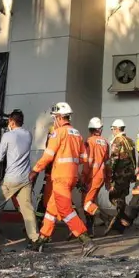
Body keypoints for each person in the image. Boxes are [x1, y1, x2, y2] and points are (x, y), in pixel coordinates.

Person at [31, 102, 93, 255]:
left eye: (54, 118)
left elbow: (48, 156)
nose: (54, 121)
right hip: (71, 176)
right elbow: (84, 158)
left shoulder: (57, 133)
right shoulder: (77, 133)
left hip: (60, 177)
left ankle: (86, 240)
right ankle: (42, 239)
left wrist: (34, 170)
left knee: (65, 210)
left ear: (59, 117)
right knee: (51, 210)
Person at [0, 109, 39, 246]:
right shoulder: (28, 134)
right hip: (26, 178)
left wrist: (6, 135)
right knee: (27, 209)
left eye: (9, 121)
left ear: (11, 121)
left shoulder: (8, 136)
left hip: (11, 178)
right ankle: (34, 238)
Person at [104, 120, 135, 234]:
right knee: (122, 196)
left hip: (119, 174)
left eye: (112, 129)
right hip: (127, 174)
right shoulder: (130, 141)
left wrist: (110, 175)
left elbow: (114, 159)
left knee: (114, 196)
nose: (112, 131)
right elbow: (133, 159)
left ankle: (124, 216)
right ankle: (120, 224)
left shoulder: (117, 141)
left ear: (117, 129)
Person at [82, 118, 110, 225]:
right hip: (101, 176)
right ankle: (90, 230)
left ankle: (106, 218)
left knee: (86, 203)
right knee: (91, 202)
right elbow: (108, 163)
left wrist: (83, 178)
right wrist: (107, 180)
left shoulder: (89, 142)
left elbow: (88, 162)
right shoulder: (106, 143)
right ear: (100, 129)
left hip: (92, 177)